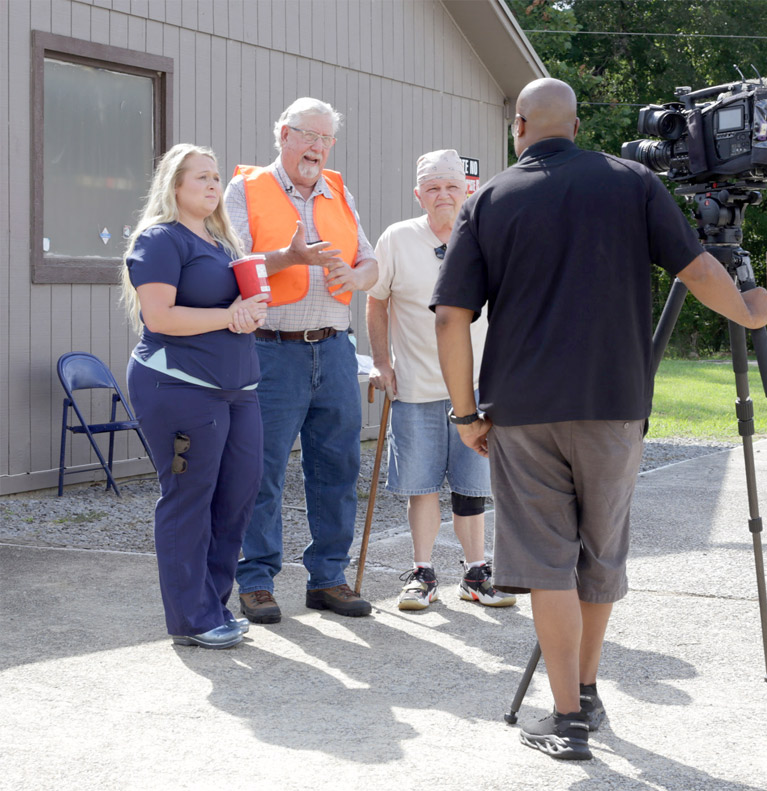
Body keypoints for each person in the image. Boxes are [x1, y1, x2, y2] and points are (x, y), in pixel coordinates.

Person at [431, 78, 767, 760]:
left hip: (523, 409)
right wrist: (753, 313)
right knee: (600, 553)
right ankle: (585, 687)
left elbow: (450, 316)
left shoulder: (491, 198)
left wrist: (464, 412)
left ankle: (566, 719)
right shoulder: (633, 183)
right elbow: (699, 269)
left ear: (520, 126)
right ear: (578, 125)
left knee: (547, 562)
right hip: (616, 403)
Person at [224, 97, 378, 622]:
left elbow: (369, 257)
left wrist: (359, 278)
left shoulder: (338, 189)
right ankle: (257, 579)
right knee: (260, 471)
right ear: (283, 135)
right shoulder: (246, 190)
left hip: (335, 350)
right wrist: (289, 257)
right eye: (308, 135)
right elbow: (232, 261)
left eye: (326, 138)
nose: (317, 147)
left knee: (337, 468)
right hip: (271, 351)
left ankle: (328, 578)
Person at [122, 143, 269, 649]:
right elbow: (159, 317)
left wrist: (249, 312)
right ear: (174, 186)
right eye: (200, 177)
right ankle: (194, 617)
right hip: (179, 387)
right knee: (190, 498)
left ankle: (213, 604)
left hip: (238, 389)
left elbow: (237, 307)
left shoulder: (223, 243)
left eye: (215, 177)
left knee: (237, 496)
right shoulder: (161, 240)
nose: (212, 185)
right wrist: (231, 315)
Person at [367, 149, 515, 612]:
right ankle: (423, 573)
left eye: (451, 185)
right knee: (421, 485)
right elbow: (376, 301)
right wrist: (381, 362)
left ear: (467, 189)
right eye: (432, 187)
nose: (443, 194)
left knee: (472, 487)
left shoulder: (488, 236)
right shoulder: (397, 238)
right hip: (415, 387)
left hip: (476, 390)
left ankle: (476, 572)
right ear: (418, 194)